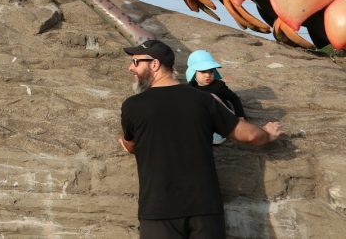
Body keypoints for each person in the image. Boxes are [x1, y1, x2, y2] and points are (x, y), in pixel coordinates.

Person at [119, 39, 284, 238]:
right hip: (204, 209)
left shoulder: (133, 106)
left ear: (154, 64)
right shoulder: (204, 100)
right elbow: (249, 135)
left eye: (136, 62)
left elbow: (131, 144)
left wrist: (132, 144)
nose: (131, 68)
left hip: (159, 210)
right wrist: (267, 134)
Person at [186, 49, 245, 145]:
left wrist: (240, 116)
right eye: (203, 72)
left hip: (221, 115)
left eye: (211, 71)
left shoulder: (218, 86)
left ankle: (217, 132)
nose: (208, 75)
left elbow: (234, 99)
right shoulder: (190, 88)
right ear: (193, 73)